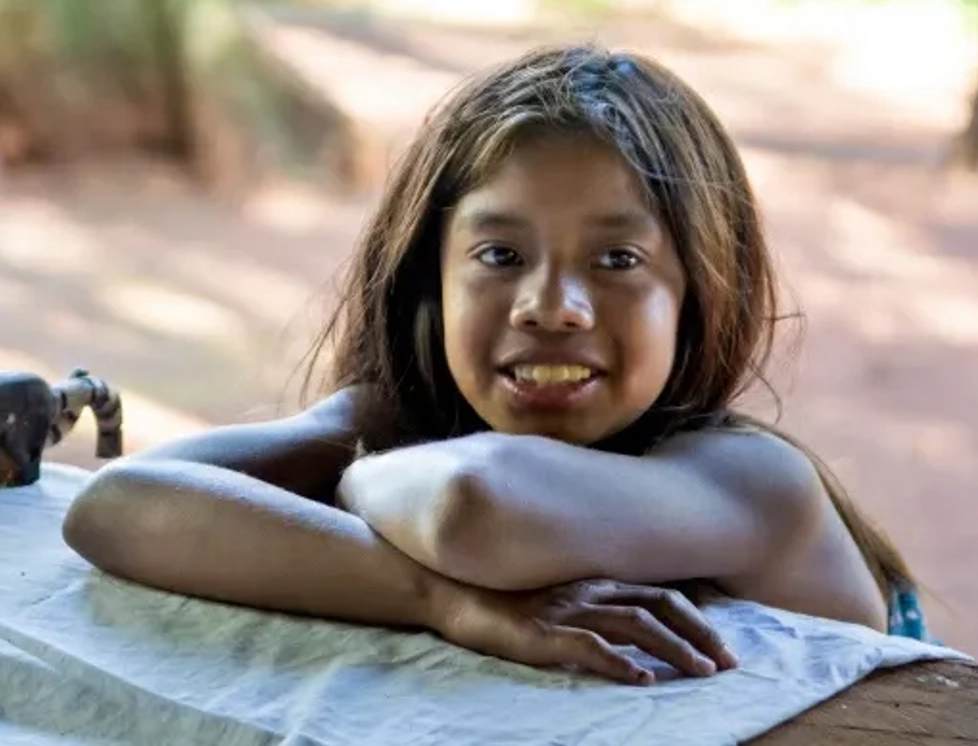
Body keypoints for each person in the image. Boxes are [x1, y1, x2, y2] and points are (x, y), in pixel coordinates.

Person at [62, 44, 924, 686]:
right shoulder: (396, 422)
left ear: (698, 295)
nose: (551, 306)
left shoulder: (752, 481)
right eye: (501, 255)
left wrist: (359, 482)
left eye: (617, 262)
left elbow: (475, 508)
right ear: (430, 282)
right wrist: (448, 603)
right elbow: (117, 507)